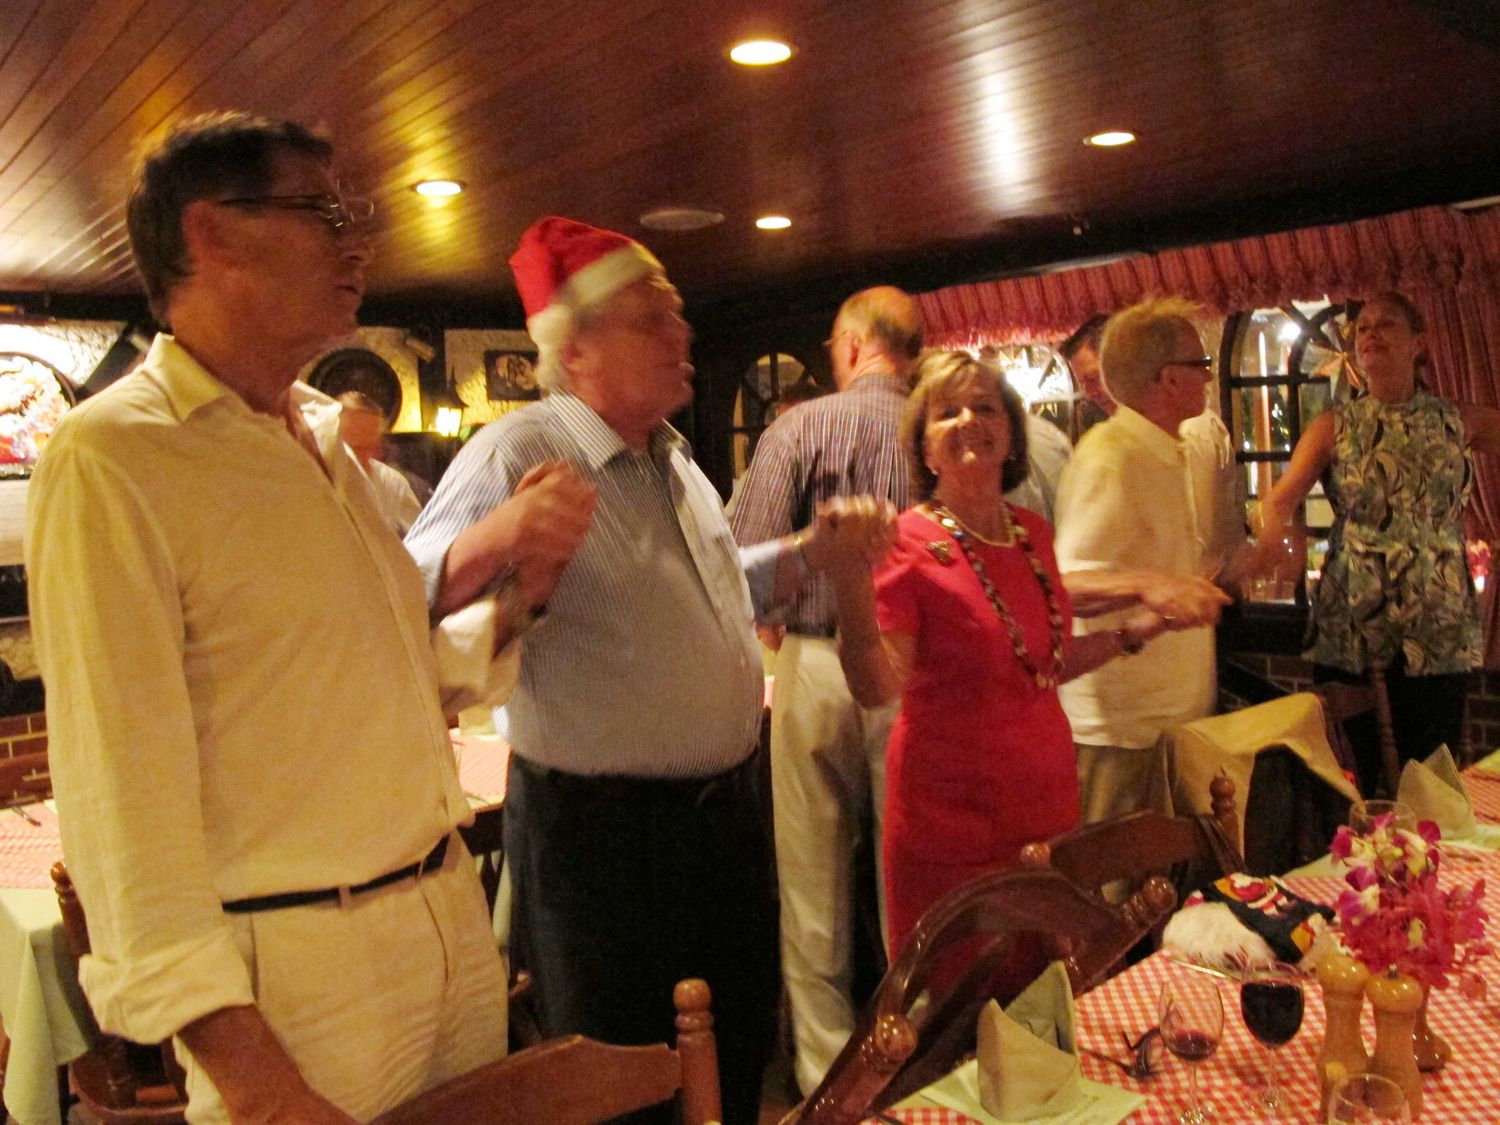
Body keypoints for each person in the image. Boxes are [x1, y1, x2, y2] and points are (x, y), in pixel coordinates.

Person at [26, 112, 594, 1124]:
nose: (358, 242)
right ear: (211, 233)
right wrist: (259, 1082)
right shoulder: (115, 455)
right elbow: (120, 807)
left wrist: (524, 596)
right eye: (323, 213)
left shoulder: (326, 443)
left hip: (448, 920)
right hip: (301, 974)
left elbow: (394, 678)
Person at [403, 216, 889, 1125]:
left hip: (723, 820)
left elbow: (713, 595)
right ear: (575, 349)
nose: (683, 329)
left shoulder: (676, 460)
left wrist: (808, 556)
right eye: (654, 314)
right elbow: (394, 596)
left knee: (732, 1056)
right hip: (604, 843)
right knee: (624, 1084)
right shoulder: (517, 453)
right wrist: (499, 538)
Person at [825, 350, 1207, 955]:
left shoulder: (1032, 532)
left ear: (1011, 434)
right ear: (925, 450)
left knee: (1045, 990)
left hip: (1046, 812)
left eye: (985, 407)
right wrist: (848, 579)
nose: (969, 421)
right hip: (952, 825)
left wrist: (1135, 632)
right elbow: (876, 688)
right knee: (960, 997)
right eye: (947, 412)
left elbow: (1040, 668)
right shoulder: (908, 543)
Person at [729, 285, 919, 1095]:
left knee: (811, 887)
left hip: (814, 661)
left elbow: (742, 558)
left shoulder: (799, 426)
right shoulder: (937, 427)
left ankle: (828, 1084)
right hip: (914, 667)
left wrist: (776, 619)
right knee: (908, 878)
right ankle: (919, 1063)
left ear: (849, 345)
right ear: (911, 351)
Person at [1255, 290, 1500, 793]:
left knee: (1433, 768)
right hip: (1354, 611)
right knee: (1357, 770)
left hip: (1437, 612)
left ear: (1419, 344)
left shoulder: (1459, 418)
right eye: (1363, 327)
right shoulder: (1333, 425)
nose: (1370, 334)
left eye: (1386, 324)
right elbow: (1278, 501)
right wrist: (1281, 537)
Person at [1053, 298, 1236, 824]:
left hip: (1169, 720)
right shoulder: (1112, 455)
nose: (1209, 377)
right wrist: (1148, 586)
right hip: (1121, 729)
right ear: (1169, 378)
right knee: (1116, 874)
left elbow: (1167, 571)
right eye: (1201, 365)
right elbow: (1063, 585)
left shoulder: (1166, 448)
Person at [336, 389, 423, 534]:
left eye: (372, 447)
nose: (367, 456)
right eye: (357, 448)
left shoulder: (392, 483)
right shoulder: (315, 479)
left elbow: (420, 536)